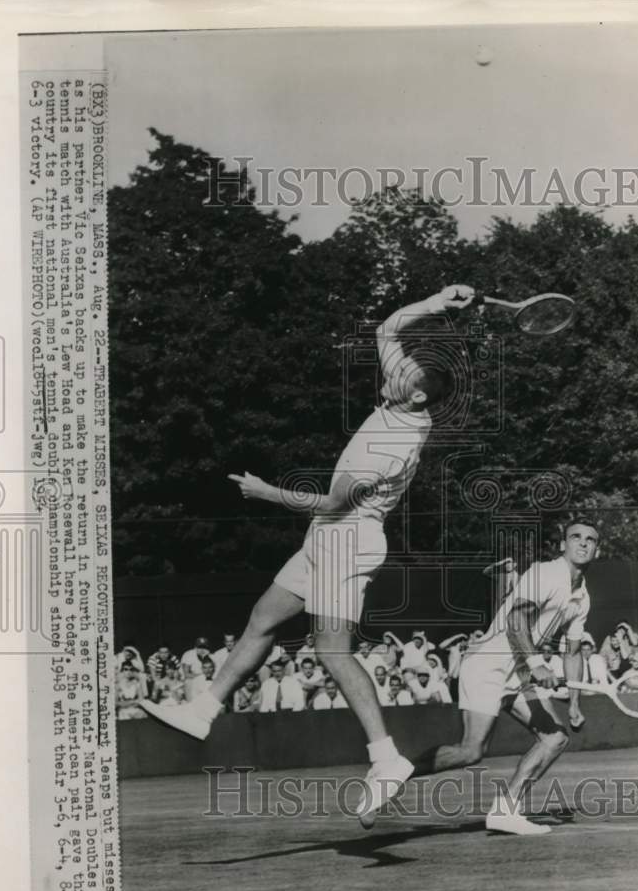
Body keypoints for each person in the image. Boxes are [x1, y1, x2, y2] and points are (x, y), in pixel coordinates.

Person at [139, 284, 473, 822]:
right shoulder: (401, 395)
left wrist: (266, 492)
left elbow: (331, 500)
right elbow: (388, 329)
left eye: (405, 373)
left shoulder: (394, 445)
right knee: (262, 620)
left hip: (350, 537)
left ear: (416, 396)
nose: (393, 369)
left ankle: (385, 759)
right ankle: (203, 709)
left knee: (332, 650)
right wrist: (438, 300)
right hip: (325, 536)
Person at [375, 517, 601, 836]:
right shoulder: (545, 573)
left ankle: (505, 812)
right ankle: (395, 772)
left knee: (555, 737)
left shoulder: (583, 598)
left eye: (590, 540)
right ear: (563, 544)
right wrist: (537, 663)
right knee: (470, 751)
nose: (582, 543)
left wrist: (575, 702)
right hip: (488, 663)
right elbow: (515, 619)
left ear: (597, 550)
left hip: (518, 670)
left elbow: (573, 652)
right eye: (575, 537)